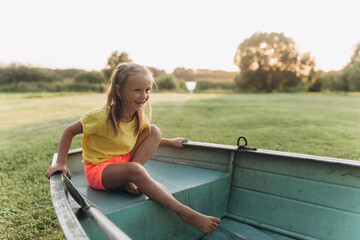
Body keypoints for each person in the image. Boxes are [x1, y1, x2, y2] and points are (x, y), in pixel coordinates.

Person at [46, 62, 221, 234]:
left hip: (124, 163)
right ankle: (186, 213)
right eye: (137, 90)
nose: (143, 95)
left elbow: (147, 139)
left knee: (154, 131)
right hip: (99, 171)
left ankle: (129, 180)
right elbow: (69, 131)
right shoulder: (99, 117)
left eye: (147, 90)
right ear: (119, 91)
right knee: (135, 169)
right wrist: (61, 163)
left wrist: (170, 142)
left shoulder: (138, 116)